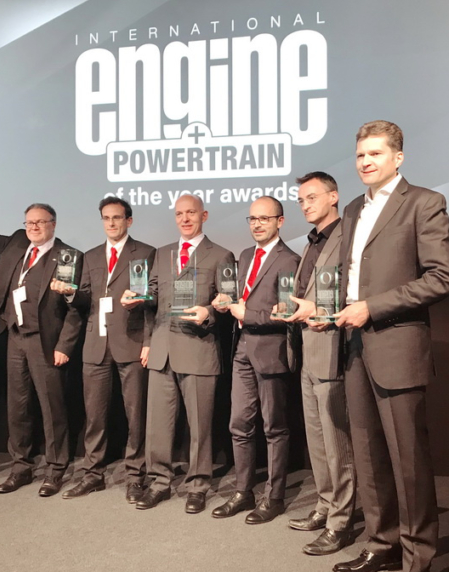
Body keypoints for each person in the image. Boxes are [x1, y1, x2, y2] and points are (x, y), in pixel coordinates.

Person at [331, 121, 449, 572]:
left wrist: (372, 307)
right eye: (360, 155)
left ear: (398, 157)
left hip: (398, 346)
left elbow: (441, 277)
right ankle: (380, 543)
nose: (365, 162)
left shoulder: (424, 202)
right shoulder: (352, 209)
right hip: (354, 345)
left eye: (375, 154)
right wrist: (325, 307)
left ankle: (417, 553)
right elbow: (350, 277)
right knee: (367, 452)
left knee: (408, 458)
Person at [0, 177, 83, 497]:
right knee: (18, 405)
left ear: (53, 224)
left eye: (40, 222)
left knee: (52, 408)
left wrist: (64, 346)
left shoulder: (67, 256)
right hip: (14, 337)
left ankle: (55, 469)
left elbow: (74, 309)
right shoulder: (16, 242)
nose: (34, 227)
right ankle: (21, 466)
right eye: (29, 222)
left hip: (47, 342)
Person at [122, 194, 234, 514]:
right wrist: (138, 298)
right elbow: (154, 294)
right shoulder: (163, 253)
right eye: (179, 214)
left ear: (204, 215)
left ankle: (198, 485)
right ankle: (159, 482)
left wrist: (209, 311)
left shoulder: (222, 255)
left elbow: (230, 299)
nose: (185, 219)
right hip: (162, 349)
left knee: (200, 426)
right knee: (158, 425)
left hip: (199, 348)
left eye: (191, 213)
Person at [50, 197, 155, 503]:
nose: (111, 223)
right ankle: (92, 474)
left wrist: (149, 340)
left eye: (117, 218)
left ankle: (136, 476)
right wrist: (71, 294)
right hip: (95, 344)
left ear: (129, 221)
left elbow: (153, 302)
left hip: (131, 342)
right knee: (94, 415)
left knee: (136, 416)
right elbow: (84, 300)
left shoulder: (146, 253)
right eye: (106, 218)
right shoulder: (91, 256)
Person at [279, 172, 357, 555]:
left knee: (337, 442)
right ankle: (325, 506)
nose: (305, 205)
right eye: (301, 200)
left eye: (312, 197)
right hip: (307, 349)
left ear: (333, 196)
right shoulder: (310, 242)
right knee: (317, 440)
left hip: (332, 349)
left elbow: (353, 291)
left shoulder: (348, 237)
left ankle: (341, 521)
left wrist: (320, 309)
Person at [210, 196, 299, 524]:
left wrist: (247, 314)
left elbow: (287, 314)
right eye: (252, 219)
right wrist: (225, 301)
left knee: (274, 427)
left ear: (280, 221)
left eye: (264, 218)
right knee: (239, 424)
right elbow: (240, 298)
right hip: (241, 350)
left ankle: (274, 497)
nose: (257, 224)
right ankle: (243, 491)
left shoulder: (290, 260)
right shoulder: (245, 255)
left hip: (270, 353)